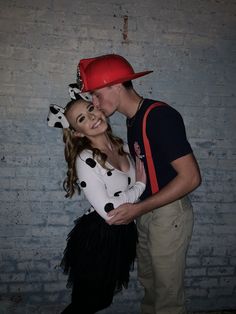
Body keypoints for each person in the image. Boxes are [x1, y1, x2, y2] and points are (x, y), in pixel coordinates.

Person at [75, 54, 202, 314]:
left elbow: (191, 178)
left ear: (116, 84)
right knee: (150, 287)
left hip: (167, 214)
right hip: (146, 213)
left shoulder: (158, 116)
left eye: (97, 95)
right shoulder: (133, 121)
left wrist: (140, 209)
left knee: (167, 296)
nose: (95, 105)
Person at [47, 95, 146, 314]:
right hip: (98, 237)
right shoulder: (85, 157)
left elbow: (145, 162)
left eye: (92, 108)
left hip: (123, 234)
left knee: (102, 300)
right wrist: (139, 185)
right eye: (82, 118)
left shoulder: (122, 147)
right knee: (87, 302)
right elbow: (108, 210)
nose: (92, 116)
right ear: (78, 132)